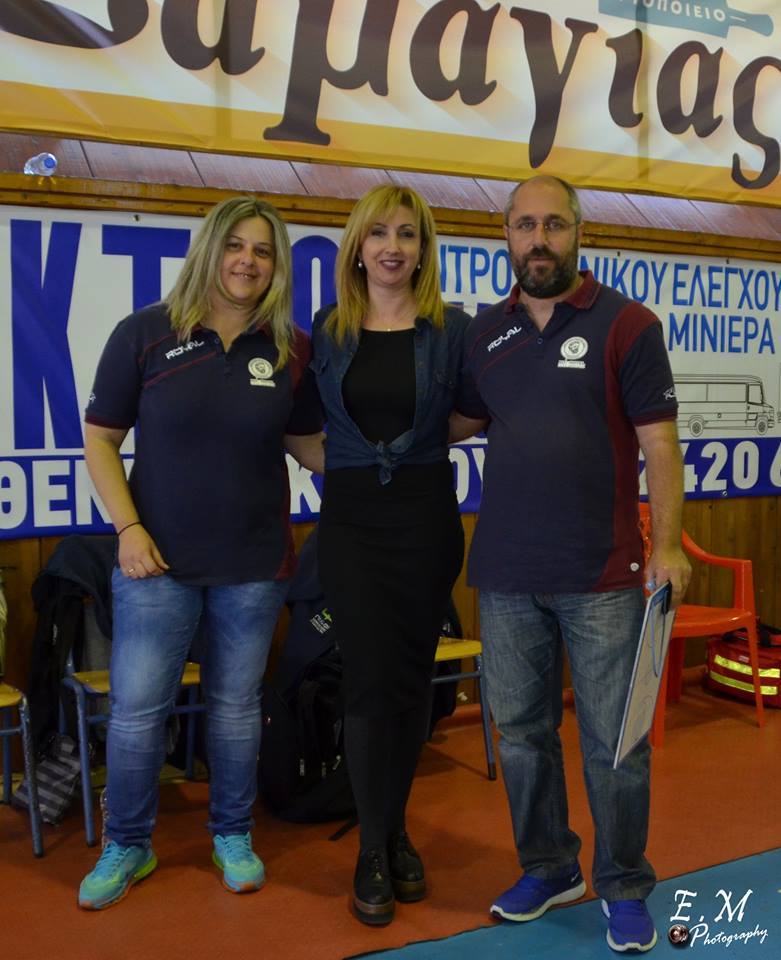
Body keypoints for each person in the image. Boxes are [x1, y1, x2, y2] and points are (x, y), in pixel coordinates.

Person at [451, 175, 691, 953]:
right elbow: (454, 421)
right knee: (521, 736)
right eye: (524, 225)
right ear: (506, 235)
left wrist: (666, 546)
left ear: (578, 232)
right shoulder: (484, 333)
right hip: (505, 575)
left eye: (553, 224)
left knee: (614, 745)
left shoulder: (627, 323)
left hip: (602, 576)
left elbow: (660, 444)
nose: (538, 239)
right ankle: (549, 866)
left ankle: (622, 883)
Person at [78, 196, 324, 910]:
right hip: (156, 564)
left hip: (253, 565)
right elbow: (100, 439)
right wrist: (128, 530)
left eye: (263, 250)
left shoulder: (291, 347)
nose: (248, 261)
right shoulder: (145, 333)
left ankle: (232, 834)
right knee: (136, 712)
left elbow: (308, 445)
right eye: (235, 245)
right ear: (210, 250)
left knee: (236, 708)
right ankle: (127, 843)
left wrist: (387, 463)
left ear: (276, 265)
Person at [310, 185, 469, 926]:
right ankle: (373, 848)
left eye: (407, 234)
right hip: (352, 527)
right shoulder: (327, 329)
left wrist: (411, 451)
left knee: (408, 684)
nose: (392, 247)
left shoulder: (450, 330)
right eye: (378, 233)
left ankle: (395, 829)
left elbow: (471, 411)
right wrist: (352, 463)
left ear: (423, 249)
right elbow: (301, 426)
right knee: (370, 682)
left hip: (426, 521)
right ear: (357, 246)